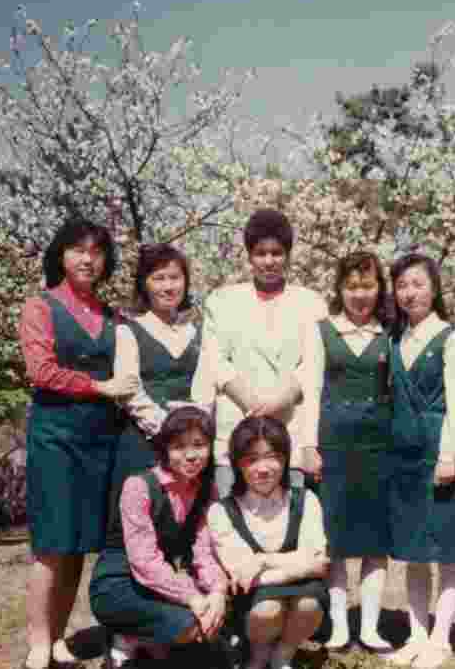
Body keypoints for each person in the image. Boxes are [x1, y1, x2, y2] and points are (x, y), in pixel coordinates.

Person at [18, 219, 139, 669]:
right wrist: (101, 386)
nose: (88, 259)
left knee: (77, 547)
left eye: (96, 251)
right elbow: (41, 371)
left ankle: (57, 638)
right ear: (61, 255)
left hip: (101, 440)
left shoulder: (112, 317)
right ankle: (37, 642)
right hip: (56, 437)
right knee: (52, 544)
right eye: (78, 250)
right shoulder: (41, 306)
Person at [384, 253, 455, 669]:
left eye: (417, 284)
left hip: (440, 453)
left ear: (434, 288)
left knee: (446, 549)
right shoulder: (396, 340)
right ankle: (417, 635)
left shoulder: (452, 339)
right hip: (403, 455)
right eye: (401, 285)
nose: (409, 293)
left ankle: (441, 639)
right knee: (413, 551)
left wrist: (449, 456)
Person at [302, 251, 394, 653]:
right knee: (335, 540)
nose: (360, 295)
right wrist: (308, 445)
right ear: (340, 289)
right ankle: (339, 625)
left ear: (379, 289)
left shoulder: (389, 334)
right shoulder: (321, 330)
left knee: (376, 542)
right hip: (333, 447)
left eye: (368, 286)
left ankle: (370, 626)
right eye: (352, 286)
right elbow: (311, 391)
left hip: (378, 449)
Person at [201, 209, 328, 498]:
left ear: (288, 255)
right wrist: (251, 402)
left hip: (289, 427)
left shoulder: (310, 303)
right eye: (260, 253)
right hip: (236, 423)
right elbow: (216, 361)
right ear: (249, 255)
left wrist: (277, 403)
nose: (269, 261)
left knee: (287, 526)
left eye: (277, 253)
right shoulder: (222, 301)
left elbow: (312, 365)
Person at [90, 405, 229, 668]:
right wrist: (194, 598)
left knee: (213, 624)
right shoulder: (139, 486)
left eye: (199, 445)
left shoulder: (207, 490)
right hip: (119, 584)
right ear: (165, 449)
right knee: (193, 626)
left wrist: (217, 592)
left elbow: (204, 552)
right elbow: (144, 561)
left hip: (160, 585)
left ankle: (146, 642)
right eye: (178, 446)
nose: (190, 455)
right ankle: (125, 637)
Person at [103, 243, 222, 537]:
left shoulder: (198, 332)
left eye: (175, 277)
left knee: (191, 532)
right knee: (141, 530)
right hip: (144, 443)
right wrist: (168, 430)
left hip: (192, 447)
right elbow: (130, 391)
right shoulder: (128, 330)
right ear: (144, 284)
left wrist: (193, 429)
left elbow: (206, 385)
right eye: (159, 278)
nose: (168, 286)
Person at [208, 416, 329, 669]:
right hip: (255, 602)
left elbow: (317, 558)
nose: (263, 468)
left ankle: (283, 656)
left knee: (308, 604)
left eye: (272, 456)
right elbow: (242, 574)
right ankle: (258, 655)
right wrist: (306, 567)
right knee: (268, 608)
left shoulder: (306, 501)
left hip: (303, 594)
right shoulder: (221, 511)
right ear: (237, 465)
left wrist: (262, 560)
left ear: (285, 459)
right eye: (252, 460)